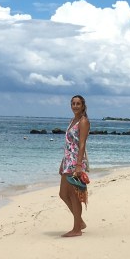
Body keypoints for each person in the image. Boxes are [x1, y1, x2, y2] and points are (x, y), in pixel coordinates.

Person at [58, 94, 90, 237]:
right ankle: (80, 222)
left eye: (78, 104)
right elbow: (68, 145)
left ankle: (77, 229)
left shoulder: (83, 121)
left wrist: (78, 165)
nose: (75, 106)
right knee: (63, 194)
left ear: (83, 106)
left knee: (73, 195)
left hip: (75, 162)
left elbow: (82, 144)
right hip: (68, 161)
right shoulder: (72, 120)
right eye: (73, 103)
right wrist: (62, 162)